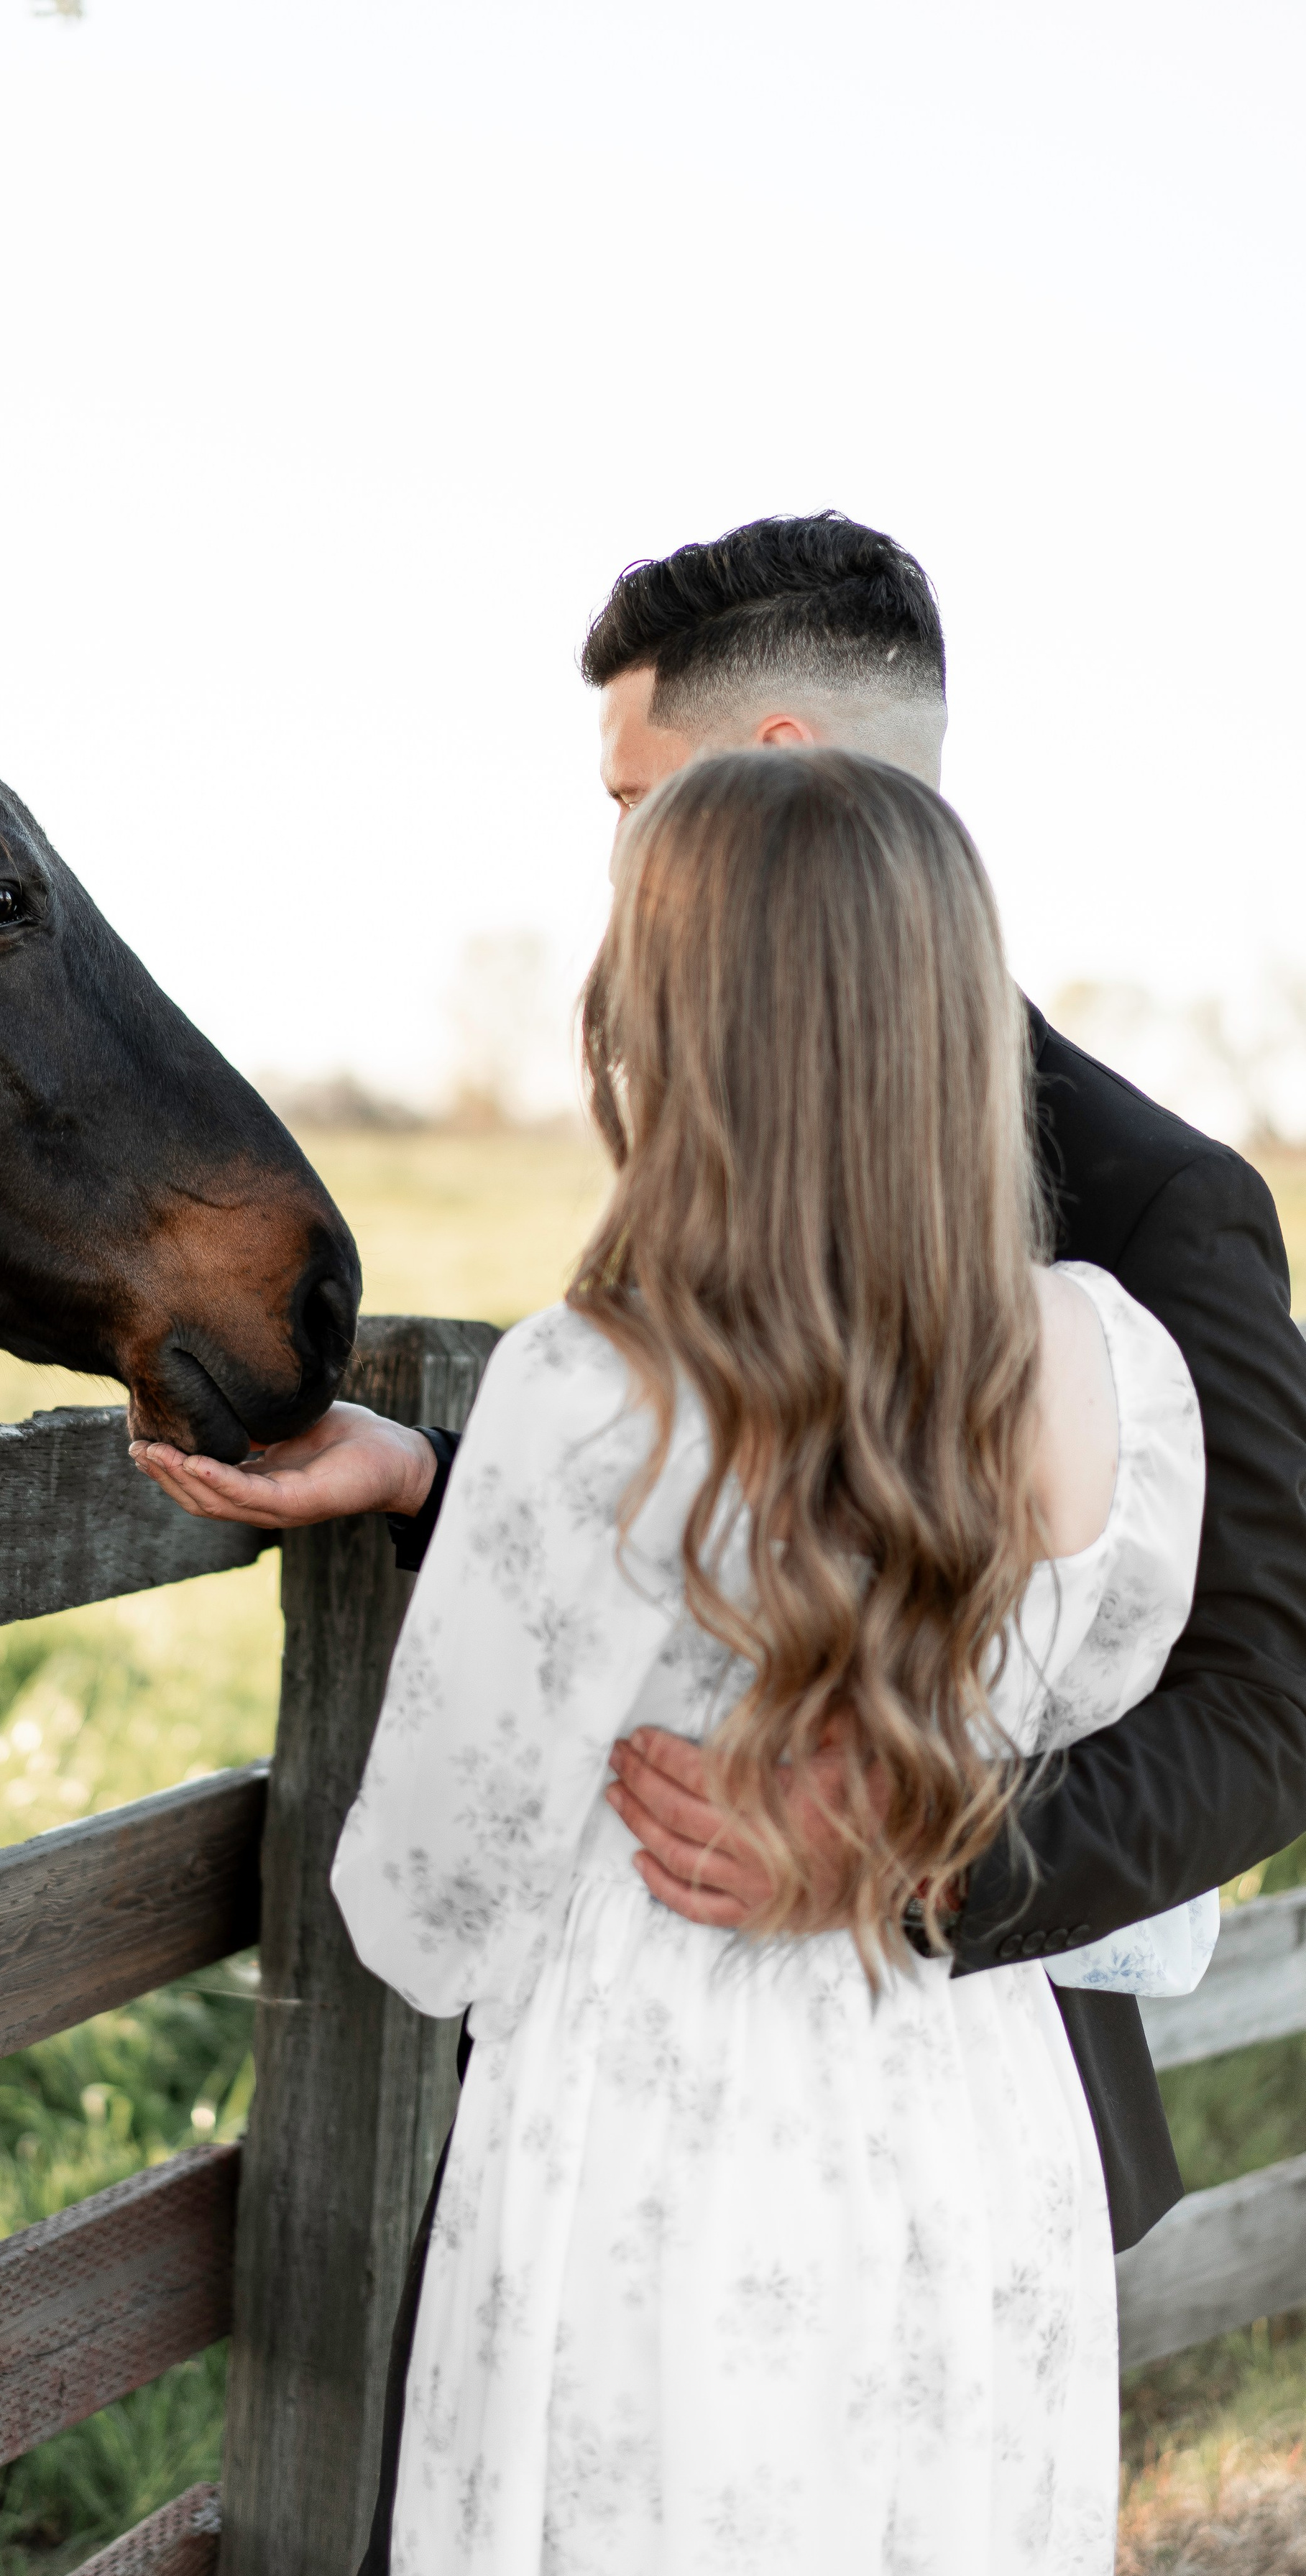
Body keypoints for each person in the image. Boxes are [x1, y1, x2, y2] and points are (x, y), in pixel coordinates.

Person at [127, 517, 1306, 2279]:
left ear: (770, 777)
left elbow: (1270, 1699)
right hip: (649, 2140)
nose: (614, 871)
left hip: (968, 2115)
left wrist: (911, 1862)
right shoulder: (723, 1132)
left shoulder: (1153, 1206)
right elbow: (724, 1508)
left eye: (628, 806)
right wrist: (434, 1480)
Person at [331, 746, 1204, 2571]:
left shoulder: (592, 1388)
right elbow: (1115, 1693)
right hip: (971, 2115)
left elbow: (422, 1904)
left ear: (671, 1023)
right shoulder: (1101, 1364)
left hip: (660, 2136)